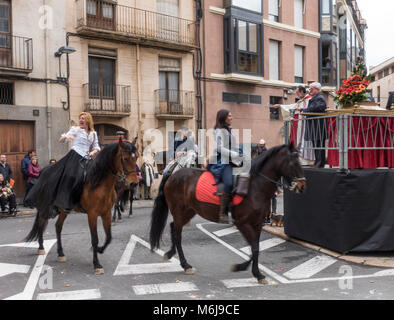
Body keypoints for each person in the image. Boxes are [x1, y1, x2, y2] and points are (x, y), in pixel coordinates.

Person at [25, 112, 100, 216]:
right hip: (74, 156)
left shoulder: (93, 133)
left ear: (88, 120)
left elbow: (97, 147)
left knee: (95, 176)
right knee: (71, 176)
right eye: (80, 118)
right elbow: (61, 140)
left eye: (83, 118)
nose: (81, 120)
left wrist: (92, 152)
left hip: (86, 158)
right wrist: (67, 137)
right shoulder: (76, 129)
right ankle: (62, 203)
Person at [207, 109, 242, 223]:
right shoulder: (219, 130)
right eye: (230, 116)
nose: (232, 118)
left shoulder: (228, 129)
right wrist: (233, 153)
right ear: (224, 117)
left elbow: (233, 146)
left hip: (232, 159)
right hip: (222, 161)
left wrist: (241, 152)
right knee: (229, 182)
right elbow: (219, 148)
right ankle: (223, 213)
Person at [301, 82, 327, 168]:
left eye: (311, 89)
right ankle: (318, 161)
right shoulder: (316, 98)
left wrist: (305, 110)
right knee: (316, 144)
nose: (309, 91)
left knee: (319, 144)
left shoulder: (319, 98)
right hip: (315, 125)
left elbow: (319, 107)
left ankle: (319, 162)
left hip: (318, 125)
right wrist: (305, 110)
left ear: (316, 89)